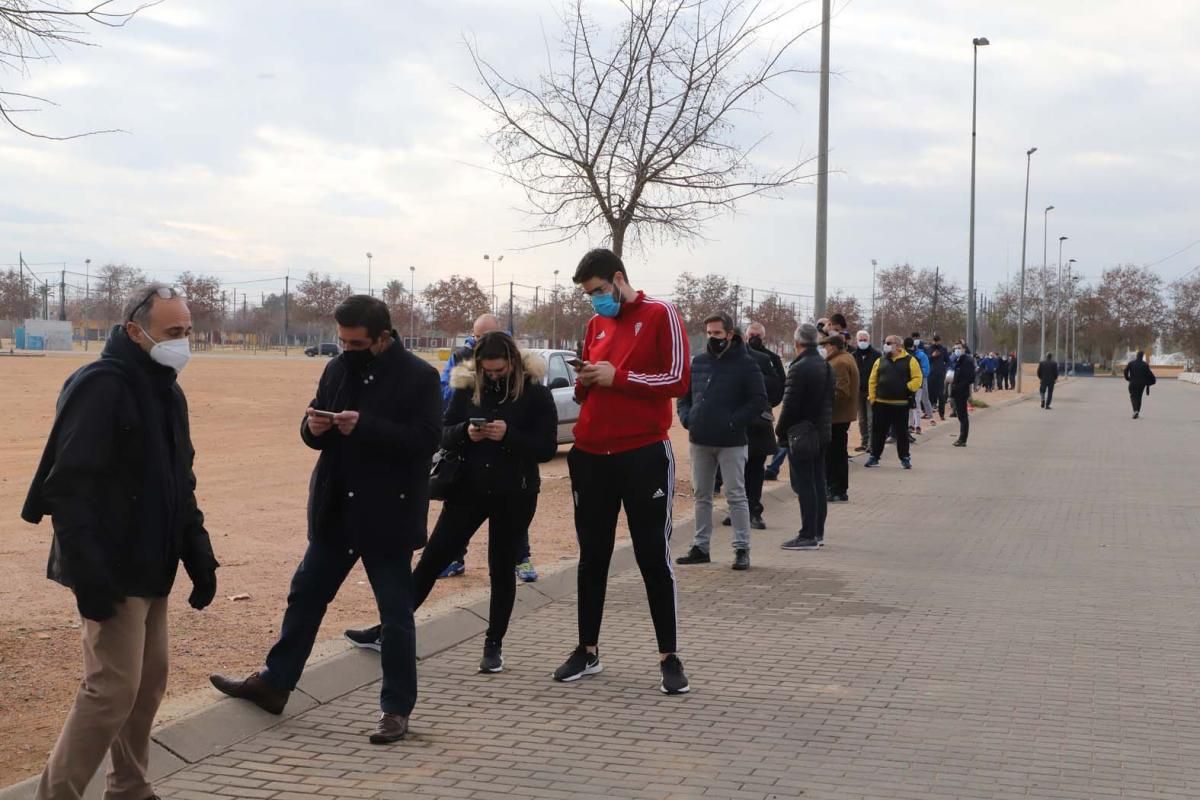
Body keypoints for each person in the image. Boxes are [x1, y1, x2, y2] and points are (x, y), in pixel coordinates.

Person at [211, 296, 441, 745]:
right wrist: (311, 428)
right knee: (305, 596)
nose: (346, 348)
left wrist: (368, 426)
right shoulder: (337, 368)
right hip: (337, 509)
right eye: (341, 340)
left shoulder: (420, 376)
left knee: (395, 616)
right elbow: (314, 416)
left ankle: (396, 710)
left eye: (355, 342)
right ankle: (275, 684)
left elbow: (427, 440)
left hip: (387, 516)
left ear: (382, 337)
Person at [22, 284, 219, 800]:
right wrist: (89, 578)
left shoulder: (167, 389)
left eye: (188, 332)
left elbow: (181, 480)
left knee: (148, 682)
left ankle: (129, 788)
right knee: (110, 690)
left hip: (153, 561)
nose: (184, 342)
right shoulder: (101, 385)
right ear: (136, 331)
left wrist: (198, 553)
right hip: (109, 566)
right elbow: (68, 488)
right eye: (173, 333)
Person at [344, 332, 557, 669]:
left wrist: (509, 435)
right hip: (467, 489)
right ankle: (388, 631)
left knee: (501, 570)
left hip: (514, 493)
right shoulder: (465, 387)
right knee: (431, 561)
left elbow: (546, 448)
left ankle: (493, 645)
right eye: (488, 371)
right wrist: (464, 434)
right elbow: (441, 431)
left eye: (500, 371)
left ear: (514, 363)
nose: (494, 376)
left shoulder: (537, 395)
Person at [554, 248, 692, 695]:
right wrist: (587, 378)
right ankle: (587, 650)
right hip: (592, 453)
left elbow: (677, 379)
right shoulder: (595, 325)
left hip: (643, 453)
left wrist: (620, 377)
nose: (594, 301)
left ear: (617, 278)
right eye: (588, 295)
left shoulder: (660, 313)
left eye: (597, 291)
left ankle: (669, 657)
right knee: (592, 556)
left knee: (653, 555)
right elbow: (591, 387)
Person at [437, 313, 539, 583]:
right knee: (449, 532)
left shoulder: (528, 380)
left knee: (505, 553)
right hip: (468, 471)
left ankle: (522, 558)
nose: (480, 341)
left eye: (487, 336)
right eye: (477, 336)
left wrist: (508, 434)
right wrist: (466, 428)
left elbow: (543, 444)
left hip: (513, 480)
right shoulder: (462, 362)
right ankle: (453, 558)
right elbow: (445, 402)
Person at [676, 314, 767, 571]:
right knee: (702, 495)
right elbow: (684, 396)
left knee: (736, 496)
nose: (712, 338)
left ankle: (741, 549)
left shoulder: (746, 364)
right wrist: (687, 418)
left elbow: (758, 400)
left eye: (717, 333)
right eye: (709, 333)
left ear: (729, 334)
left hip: (732, 442)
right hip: (700, 439)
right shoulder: (700, 362)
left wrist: (734, 421)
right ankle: (700, 547)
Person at [776, 323, 833, 549]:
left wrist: (780, 431)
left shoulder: (799, 368)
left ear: (797, 342)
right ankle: (817, 532)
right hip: (821, 431)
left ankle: (807, 534)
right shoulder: (824, 365)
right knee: (818, 482)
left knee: (805, 484)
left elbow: (790, 405)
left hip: (802, 433)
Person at [735, 322, 786, 526]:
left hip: (758, 422)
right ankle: (738, 510)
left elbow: (778, 388)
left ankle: (754, 510)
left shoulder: (768, 360)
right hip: (736, 423)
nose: (753, 338)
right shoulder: (727, 360)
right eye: (750, 334)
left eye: (757, 335)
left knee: (755, 468)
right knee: (737, 470)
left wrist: (764, 404)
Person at [865, 334, 922, 469]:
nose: (886, 345)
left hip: (900, 404)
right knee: (878, 432)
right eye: (885, 342)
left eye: (888, 343)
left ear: (897, 345)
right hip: (881, 403)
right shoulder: (880, 361)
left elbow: (917, 378)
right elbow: (872, 380)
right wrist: (873, 399)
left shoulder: (910, 360)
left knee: (902, 432)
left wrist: (907, 387)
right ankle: (874, 456)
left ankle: (905, 458)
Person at [822, 334, 859, 503]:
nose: (825, 349)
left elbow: (841, 392)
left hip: (836, 416)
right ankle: (839, 489)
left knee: (834, 455)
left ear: (834, 346)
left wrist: (822, 400)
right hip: (842, 416)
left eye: (826, 346)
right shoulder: (846, 357)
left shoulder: (839, 363)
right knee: (839, 453)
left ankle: (835, 488)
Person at [852, 330, 880, 452]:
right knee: (862, 419)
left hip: (871, 391)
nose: (863, 342)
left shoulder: (876, 355)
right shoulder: (853, 356)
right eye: (860, 340)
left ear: (869, 340)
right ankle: (864, 441)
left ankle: (871, 444)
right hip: (858, 391)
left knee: (871, 418)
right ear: (857, 341)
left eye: (865, 340)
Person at [950, 343, 976, 447]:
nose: (957, 350)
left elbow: (970, 377)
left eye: (959, 348)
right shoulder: (957, 360)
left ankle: (963, 438)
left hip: (961, 391)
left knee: (963, 415)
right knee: (960, 415)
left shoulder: (967, 361)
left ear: (964, 349)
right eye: (955, 348)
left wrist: (959, 386)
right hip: (956, 390)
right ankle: (962, 438)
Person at [905, 336, 931, 434]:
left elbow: (925, 370)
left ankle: (916, 425)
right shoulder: (918, 355)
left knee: (914, 404)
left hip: (914, 384)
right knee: (913, 405)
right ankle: (913, 425)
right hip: (913, 383)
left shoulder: (919, 355)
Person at [1124, 350, 1157, 419]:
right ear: (1142, 357)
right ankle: (1137, 411)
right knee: (1139, 397)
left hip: (1132, 383)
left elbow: (1125, 371)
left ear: (1137, 356)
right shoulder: (1145, 365)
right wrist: (1151, 381)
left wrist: (1128, 378)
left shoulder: (1131, 363)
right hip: (1141, 384)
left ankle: (1135, 411)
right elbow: (1149, 374)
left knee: (1133, 396)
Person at [927, 335, 949, 421]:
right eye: (935, 341)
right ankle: (929, 412)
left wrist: (945, 368)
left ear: (940, 341)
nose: (936, 343)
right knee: (930, 394)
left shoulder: (943, 349)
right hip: (931, 374)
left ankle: (942, 413)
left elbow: (947, 361)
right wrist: (932, 356)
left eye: (938, 341)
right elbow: (927, 359)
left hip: (940, 374)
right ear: (933, 341)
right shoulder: (929, 349)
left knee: (941, 395)